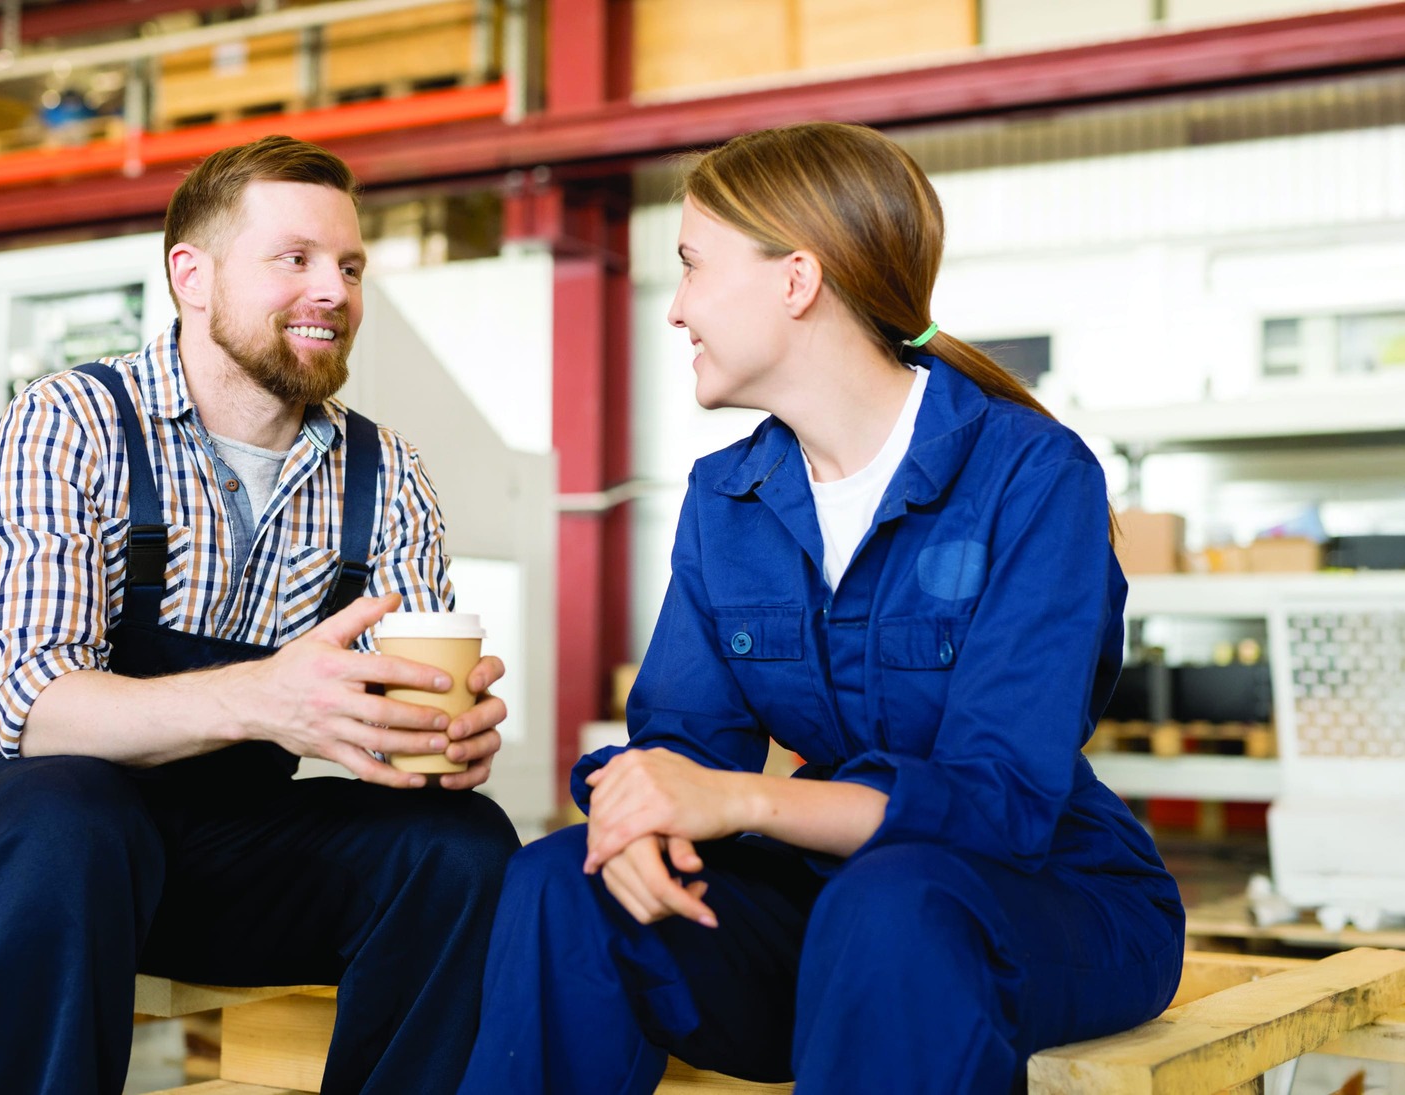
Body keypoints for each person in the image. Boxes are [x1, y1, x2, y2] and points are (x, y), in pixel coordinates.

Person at [459, 122, 1185, 1095]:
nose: (674, 311)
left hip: (1043, 904)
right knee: (563, 880)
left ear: (796, 281)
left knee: (893, 906)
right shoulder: (729, 495)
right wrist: (639, 810)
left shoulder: (1028, 475)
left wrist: (749, 799)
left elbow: (1000, 802)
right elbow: (680, 735)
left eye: (690, 267)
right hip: (835, 900)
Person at [0, 135, 519, 1095]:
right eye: (296, 259)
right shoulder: (71, 421)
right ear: (192, 274)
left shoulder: (388, 472)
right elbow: (37, 708)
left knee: (463, 847)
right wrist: (264, 697)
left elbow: (401, 708)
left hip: (232, 844)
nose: (334, 290)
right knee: (70, 815)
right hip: (32, 837)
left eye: (349, 266)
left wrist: (440, 737)